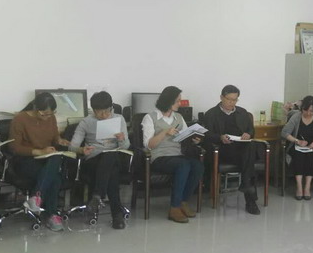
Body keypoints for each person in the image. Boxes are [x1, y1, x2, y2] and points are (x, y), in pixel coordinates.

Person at [9, 92, 73, 232]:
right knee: (55, 177)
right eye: (44, 114)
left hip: (46, 160)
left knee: (56, 157)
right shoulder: (20, 119)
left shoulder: (50, 118)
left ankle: (36, 198)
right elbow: (14, 147)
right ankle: (52, 215)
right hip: (25, 160)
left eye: (51, 114)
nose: (48, 117)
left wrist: (60, 141)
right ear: (35, 107)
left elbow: (55, 137)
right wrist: (39, 151)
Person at [142, 86, 205, 223]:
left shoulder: (179, 117)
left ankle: (183, 201)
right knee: (183, 165)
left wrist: (194, 139)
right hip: (159, 157)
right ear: (168, 101)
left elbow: (185, 136)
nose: (180, 104)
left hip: (177, 155)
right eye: (177, 101)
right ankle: (174, 208)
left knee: (198, 166)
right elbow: (149, 145)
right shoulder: (150, 117)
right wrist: (165, 132)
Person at [69, 91, 129, 229]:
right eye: (99, 112)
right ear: (93, 110)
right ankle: (117, 215)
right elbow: (72, 146)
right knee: (112, 171)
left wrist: (122, 139)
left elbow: (126, 146)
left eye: (107, 111)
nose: (103, 115)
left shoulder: (119, 119)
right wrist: (81, 150)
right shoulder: (86, 122)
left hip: (115, 156)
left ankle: (97, 196)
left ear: (111, 108)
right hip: (93, 160)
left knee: (111, 156)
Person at [202, 85, 260, 215]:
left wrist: (248, 134)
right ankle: (250, 199)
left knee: (250, 147)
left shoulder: (242, 112)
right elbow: (206, 135)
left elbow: (251, 130)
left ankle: (247, 188)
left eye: (235, 100)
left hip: (241, 149)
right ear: (221, 97)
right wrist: (220, 137)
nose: (232, 103)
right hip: (222, 150)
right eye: (229, 99)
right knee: (249, 160)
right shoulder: (211, 114)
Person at [281, 95, 313, 200]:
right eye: (306, 110)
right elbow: (284, 132)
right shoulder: (296, 116)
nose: (308, 113)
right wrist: (297, 141)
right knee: (298, 155)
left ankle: (307, 187)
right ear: (302, 108)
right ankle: (299, 187)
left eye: (311, 111)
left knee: (311, 155)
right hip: (296, 146)